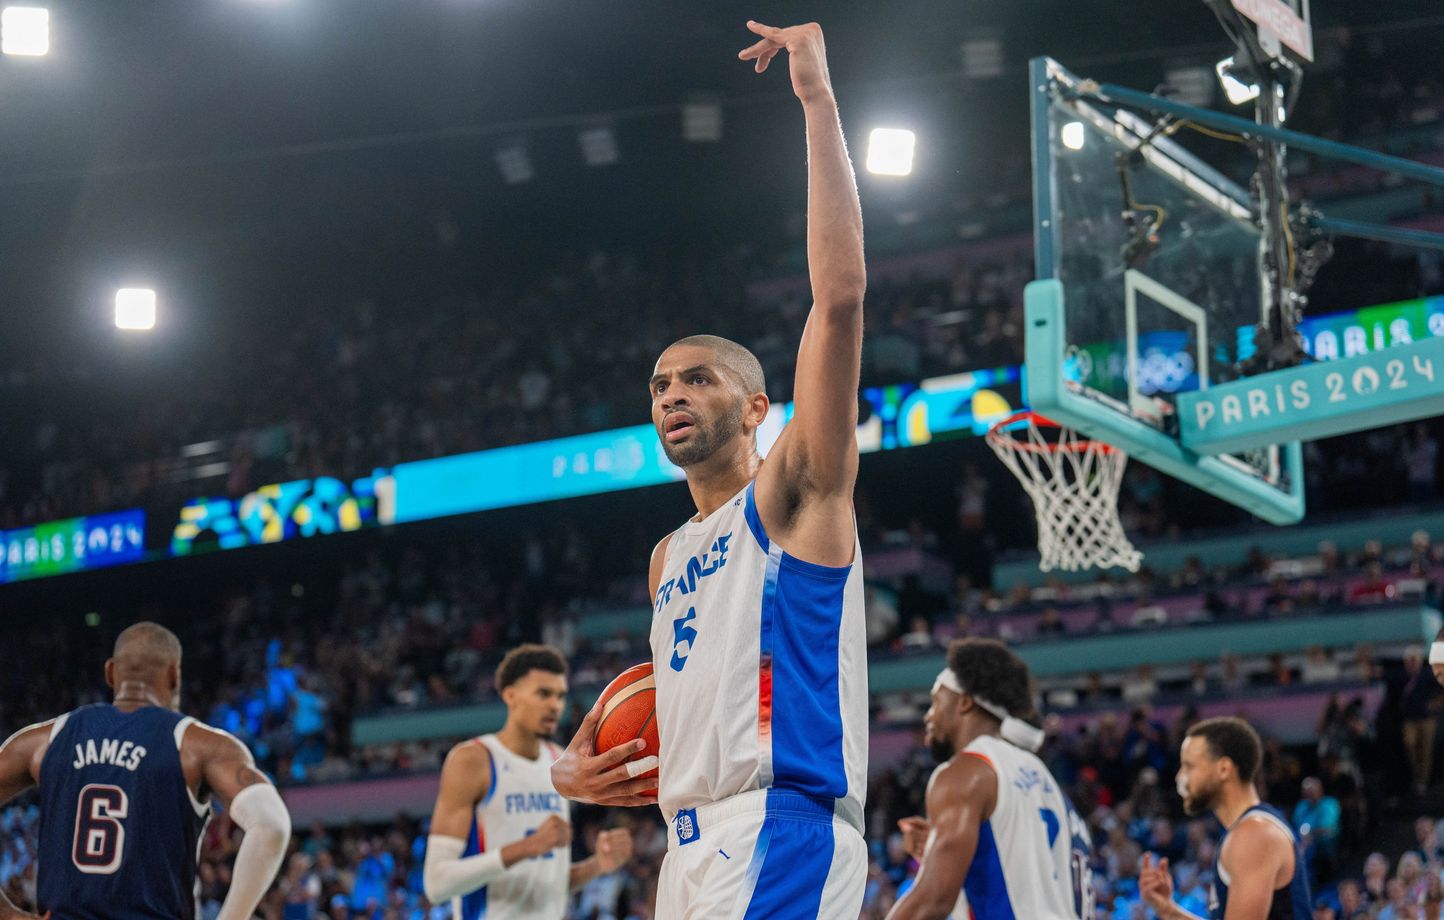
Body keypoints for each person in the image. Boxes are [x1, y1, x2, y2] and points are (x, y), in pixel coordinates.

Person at [550, 17, 869, 919]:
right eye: (659, 385)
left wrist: (815, 98)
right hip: (686, 852)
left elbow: (839, 301)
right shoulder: (666, 555)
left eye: (697, 378)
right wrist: (572, 770)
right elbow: (672, 708)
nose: (671, 396)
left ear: (757, 406)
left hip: (782, 826)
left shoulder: (797, 489)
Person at [0, 621, 290, 920]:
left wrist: (6, 913)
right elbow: (272, 827)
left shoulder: (42, 741)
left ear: (110, 673)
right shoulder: (198, 746)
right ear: (175, 674)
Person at [884, 638, 1093, 920]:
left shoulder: (965, 772)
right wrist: (936, 851)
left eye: (935, 701)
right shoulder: (1042, 775)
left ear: (965, 701)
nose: (928, 716)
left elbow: (932, 901)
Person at [424, 645, 634, 919]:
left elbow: (547, 882)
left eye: (560, 696)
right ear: (510, 695)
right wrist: (528, 847)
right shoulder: (473, 760)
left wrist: (597, 865)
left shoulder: (560, 761)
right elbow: (437, 884)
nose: (554, 705)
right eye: (543, 694)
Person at [1140, 716, 1312, 919]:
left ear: (1223, 769)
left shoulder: (1253, 835)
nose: (1180, 777)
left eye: (1189, 766)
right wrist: (1167, 910)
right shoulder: (1250, 829)